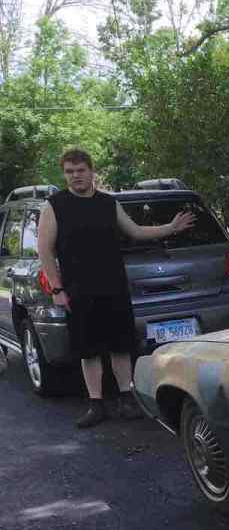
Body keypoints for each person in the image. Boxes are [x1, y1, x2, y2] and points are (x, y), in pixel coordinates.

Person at [37, 148, 195, 428]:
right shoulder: (55, 205)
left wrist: (170, 227)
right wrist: (57, 290)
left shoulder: (108, 203)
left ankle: (126, 398)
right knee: (88, 350)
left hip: (113, 286)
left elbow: (136, 231)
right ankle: (96, 405)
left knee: (120, 346)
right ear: (65, 175)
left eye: (80, 170)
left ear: (91, 171)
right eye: (69, 172)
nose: (75, 176)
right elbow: (45, 251)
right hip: (76, 290)